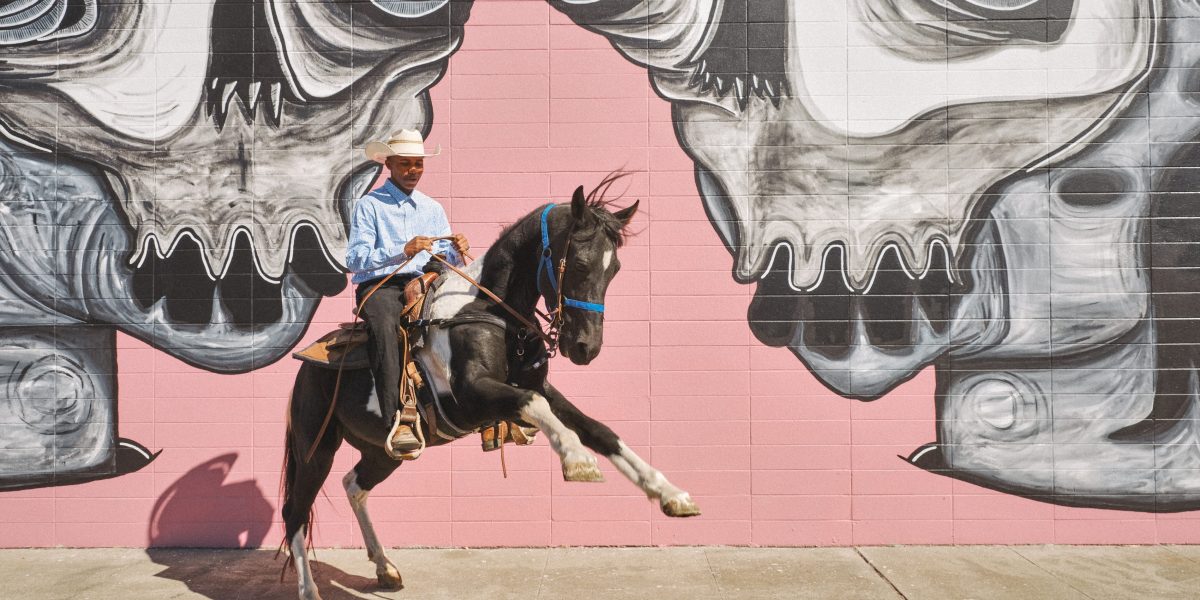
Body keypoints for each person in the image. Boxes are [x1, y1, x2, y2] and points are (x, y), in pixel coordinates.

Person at [347, 129, 468, 456]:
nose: (413, 170)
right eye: (405, 164)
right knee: (386, 329)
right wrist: (402, 250)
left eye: (418, 164)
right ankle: (396, 417)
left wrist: (457, 251)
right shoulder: (369, 205)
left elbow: (444, 258)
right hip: (382, 285)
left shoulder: (432, 208)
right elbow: (354, 260)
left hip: (426, 281)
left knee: (468, 317)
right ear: (389, 164)